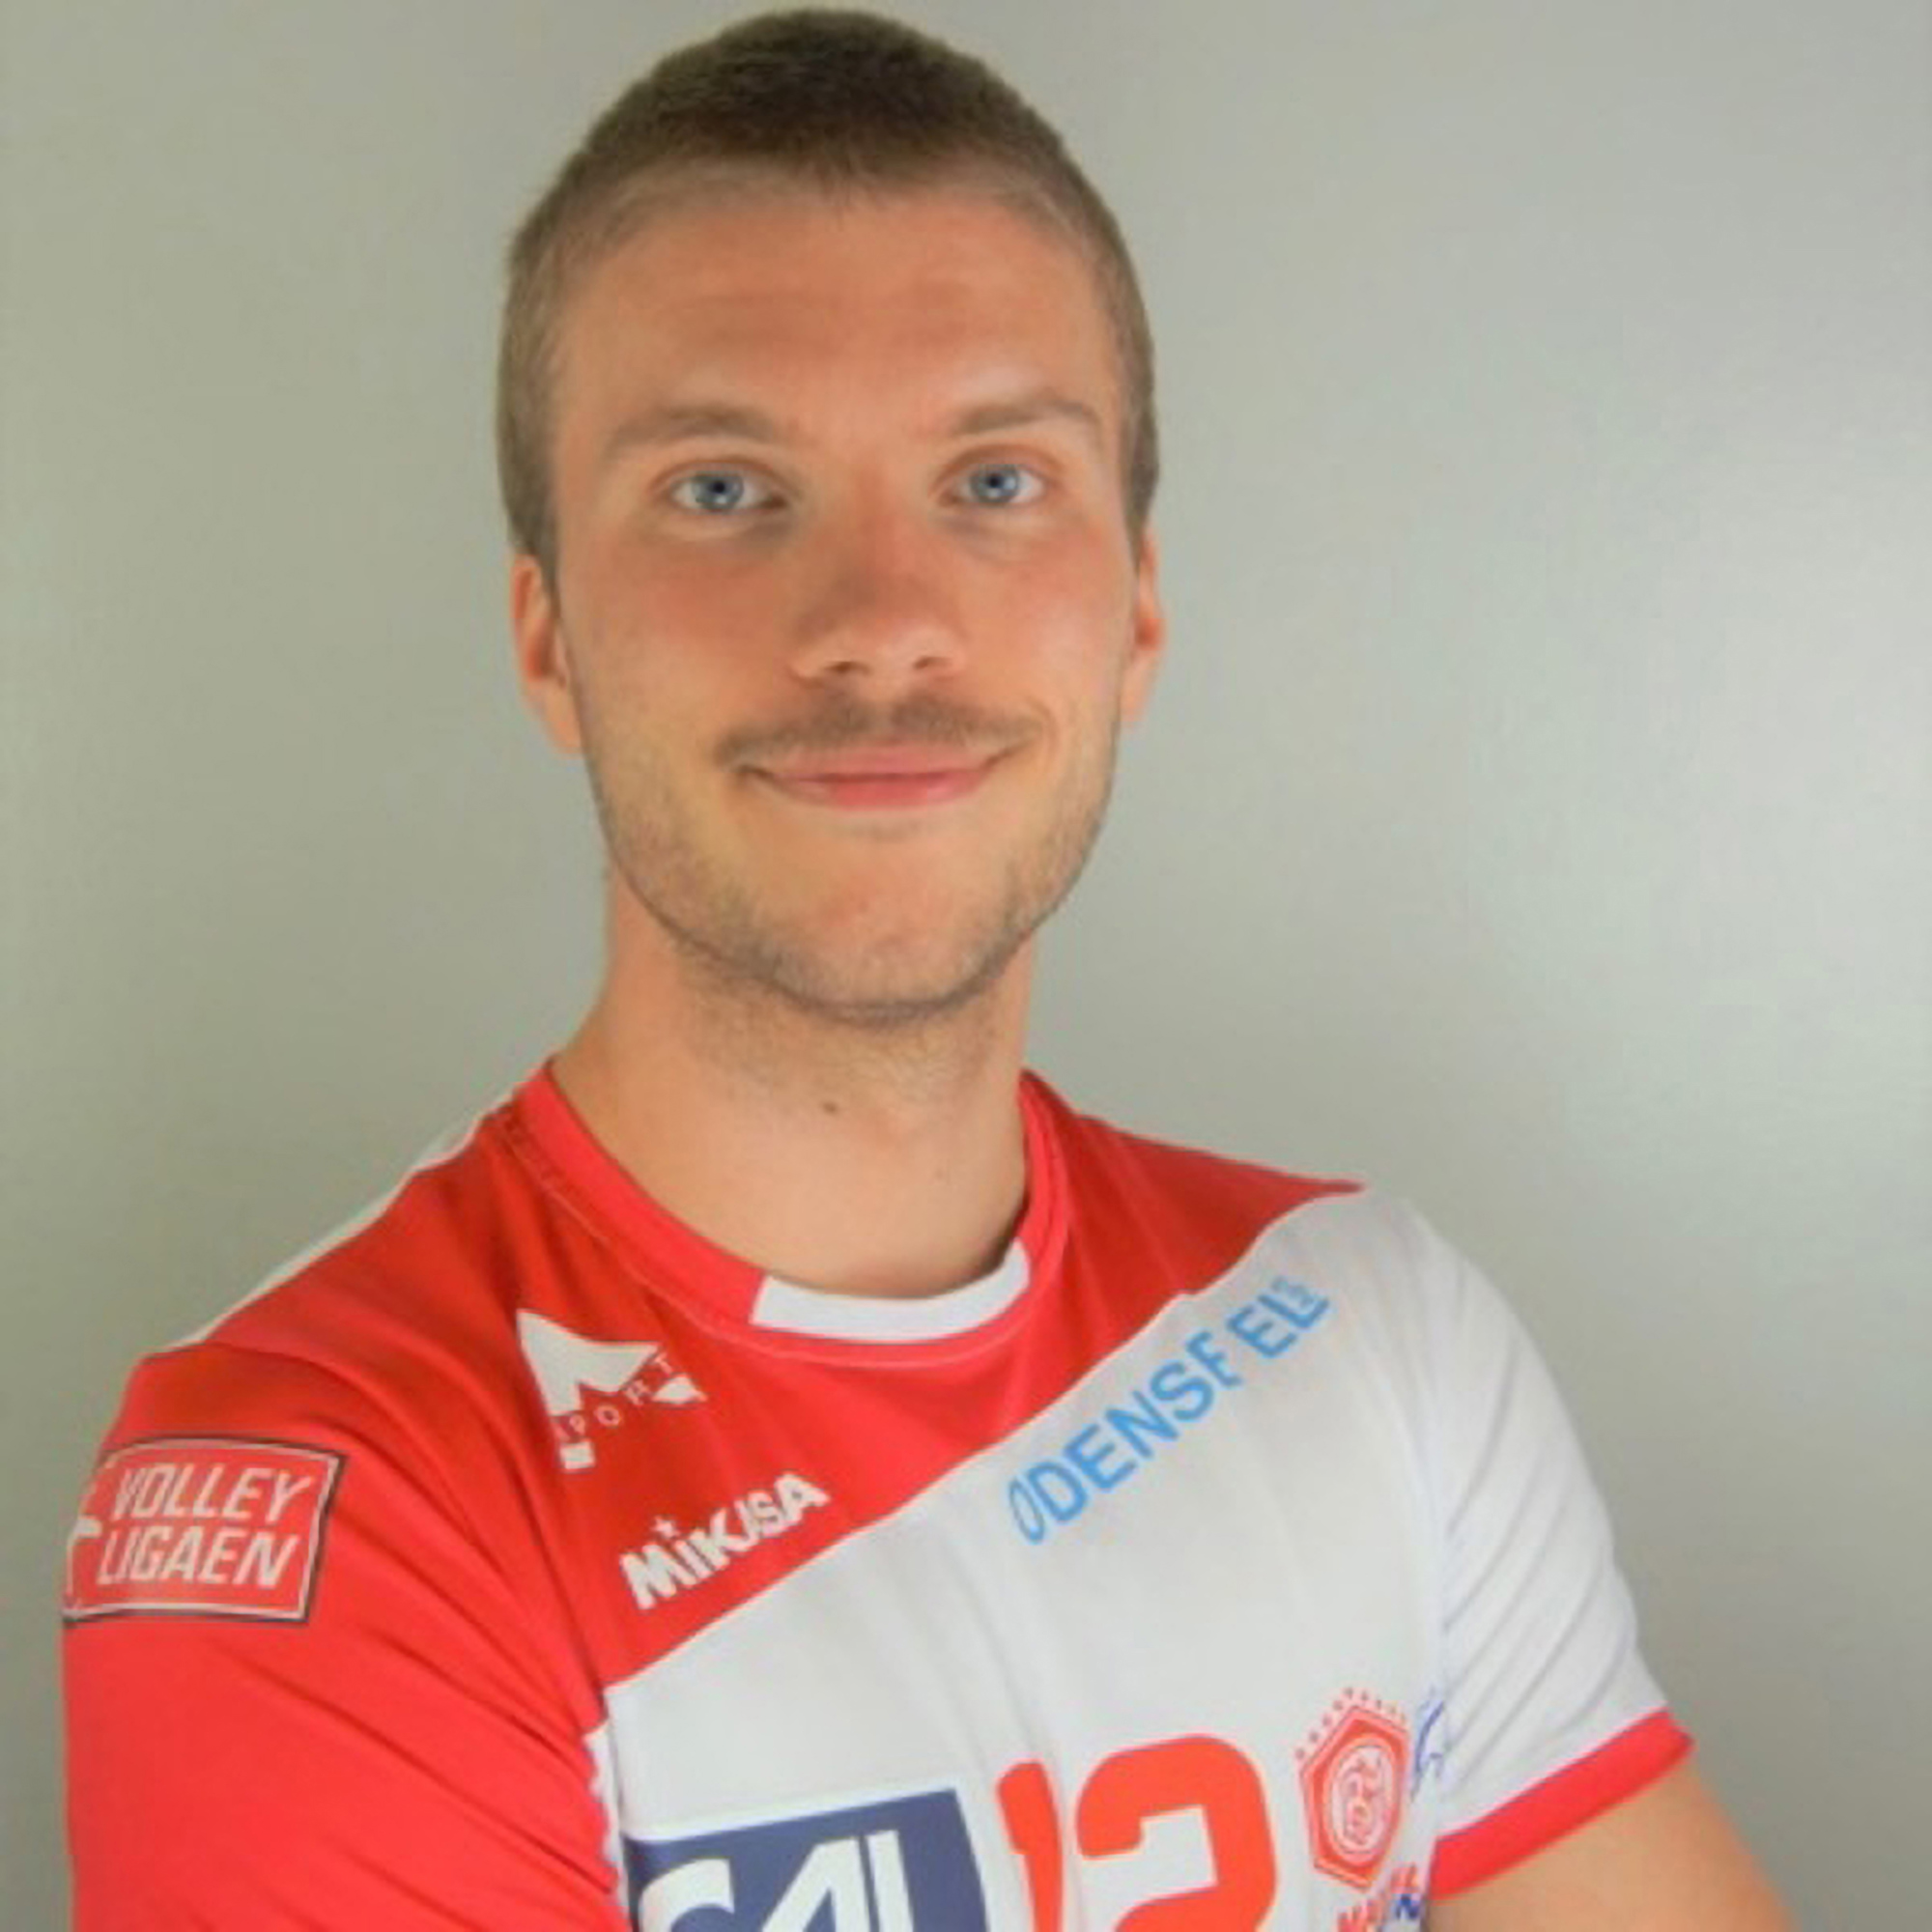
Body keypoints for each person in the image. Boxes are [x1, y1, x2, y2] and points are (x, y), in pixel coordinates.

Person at [62, 11, 1789, 1926]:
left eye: (994, 483)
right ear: (548, 642)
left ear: (1135, 613)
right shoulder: (324, 1489)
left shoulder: (1367, 1328)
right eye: (724, 488)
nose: (881, 623)